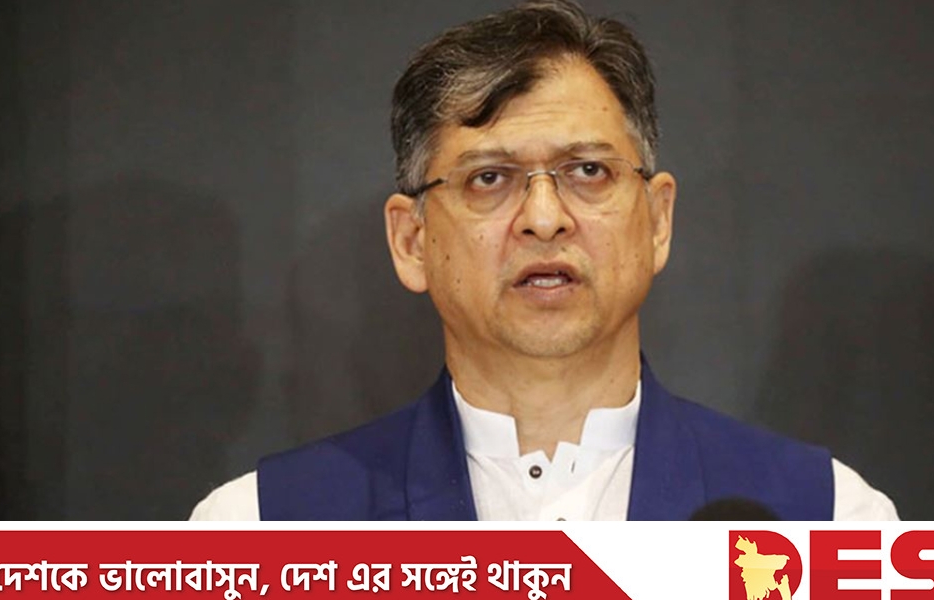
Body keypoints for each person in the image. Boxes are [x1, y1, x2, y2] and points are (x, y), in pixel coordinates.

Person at [190, 0, 897, 521]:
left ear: (657, 220)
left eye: (588, 171)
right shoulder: (260, 534)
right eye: (488, 178)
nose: (544, 217)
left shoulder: (828, 522)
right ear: (411, 241)